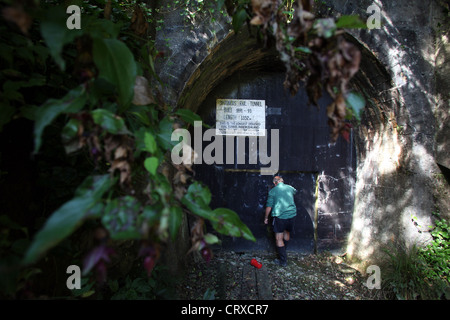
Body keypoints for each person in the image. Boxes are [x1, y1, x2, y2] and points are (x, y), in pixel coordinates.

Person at [264, 176, 297, 267]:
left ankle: (283, 261)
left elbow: (269, 206)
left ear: (275, 183)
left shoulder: (273, 191)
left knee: (279, 238)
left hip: (280, 217)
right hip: (292, 216)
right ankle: (284, 253)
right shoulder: (290, 188)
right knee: (287, 233)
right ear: (282, 181)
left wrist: (266, 217)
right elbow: (294, 191)